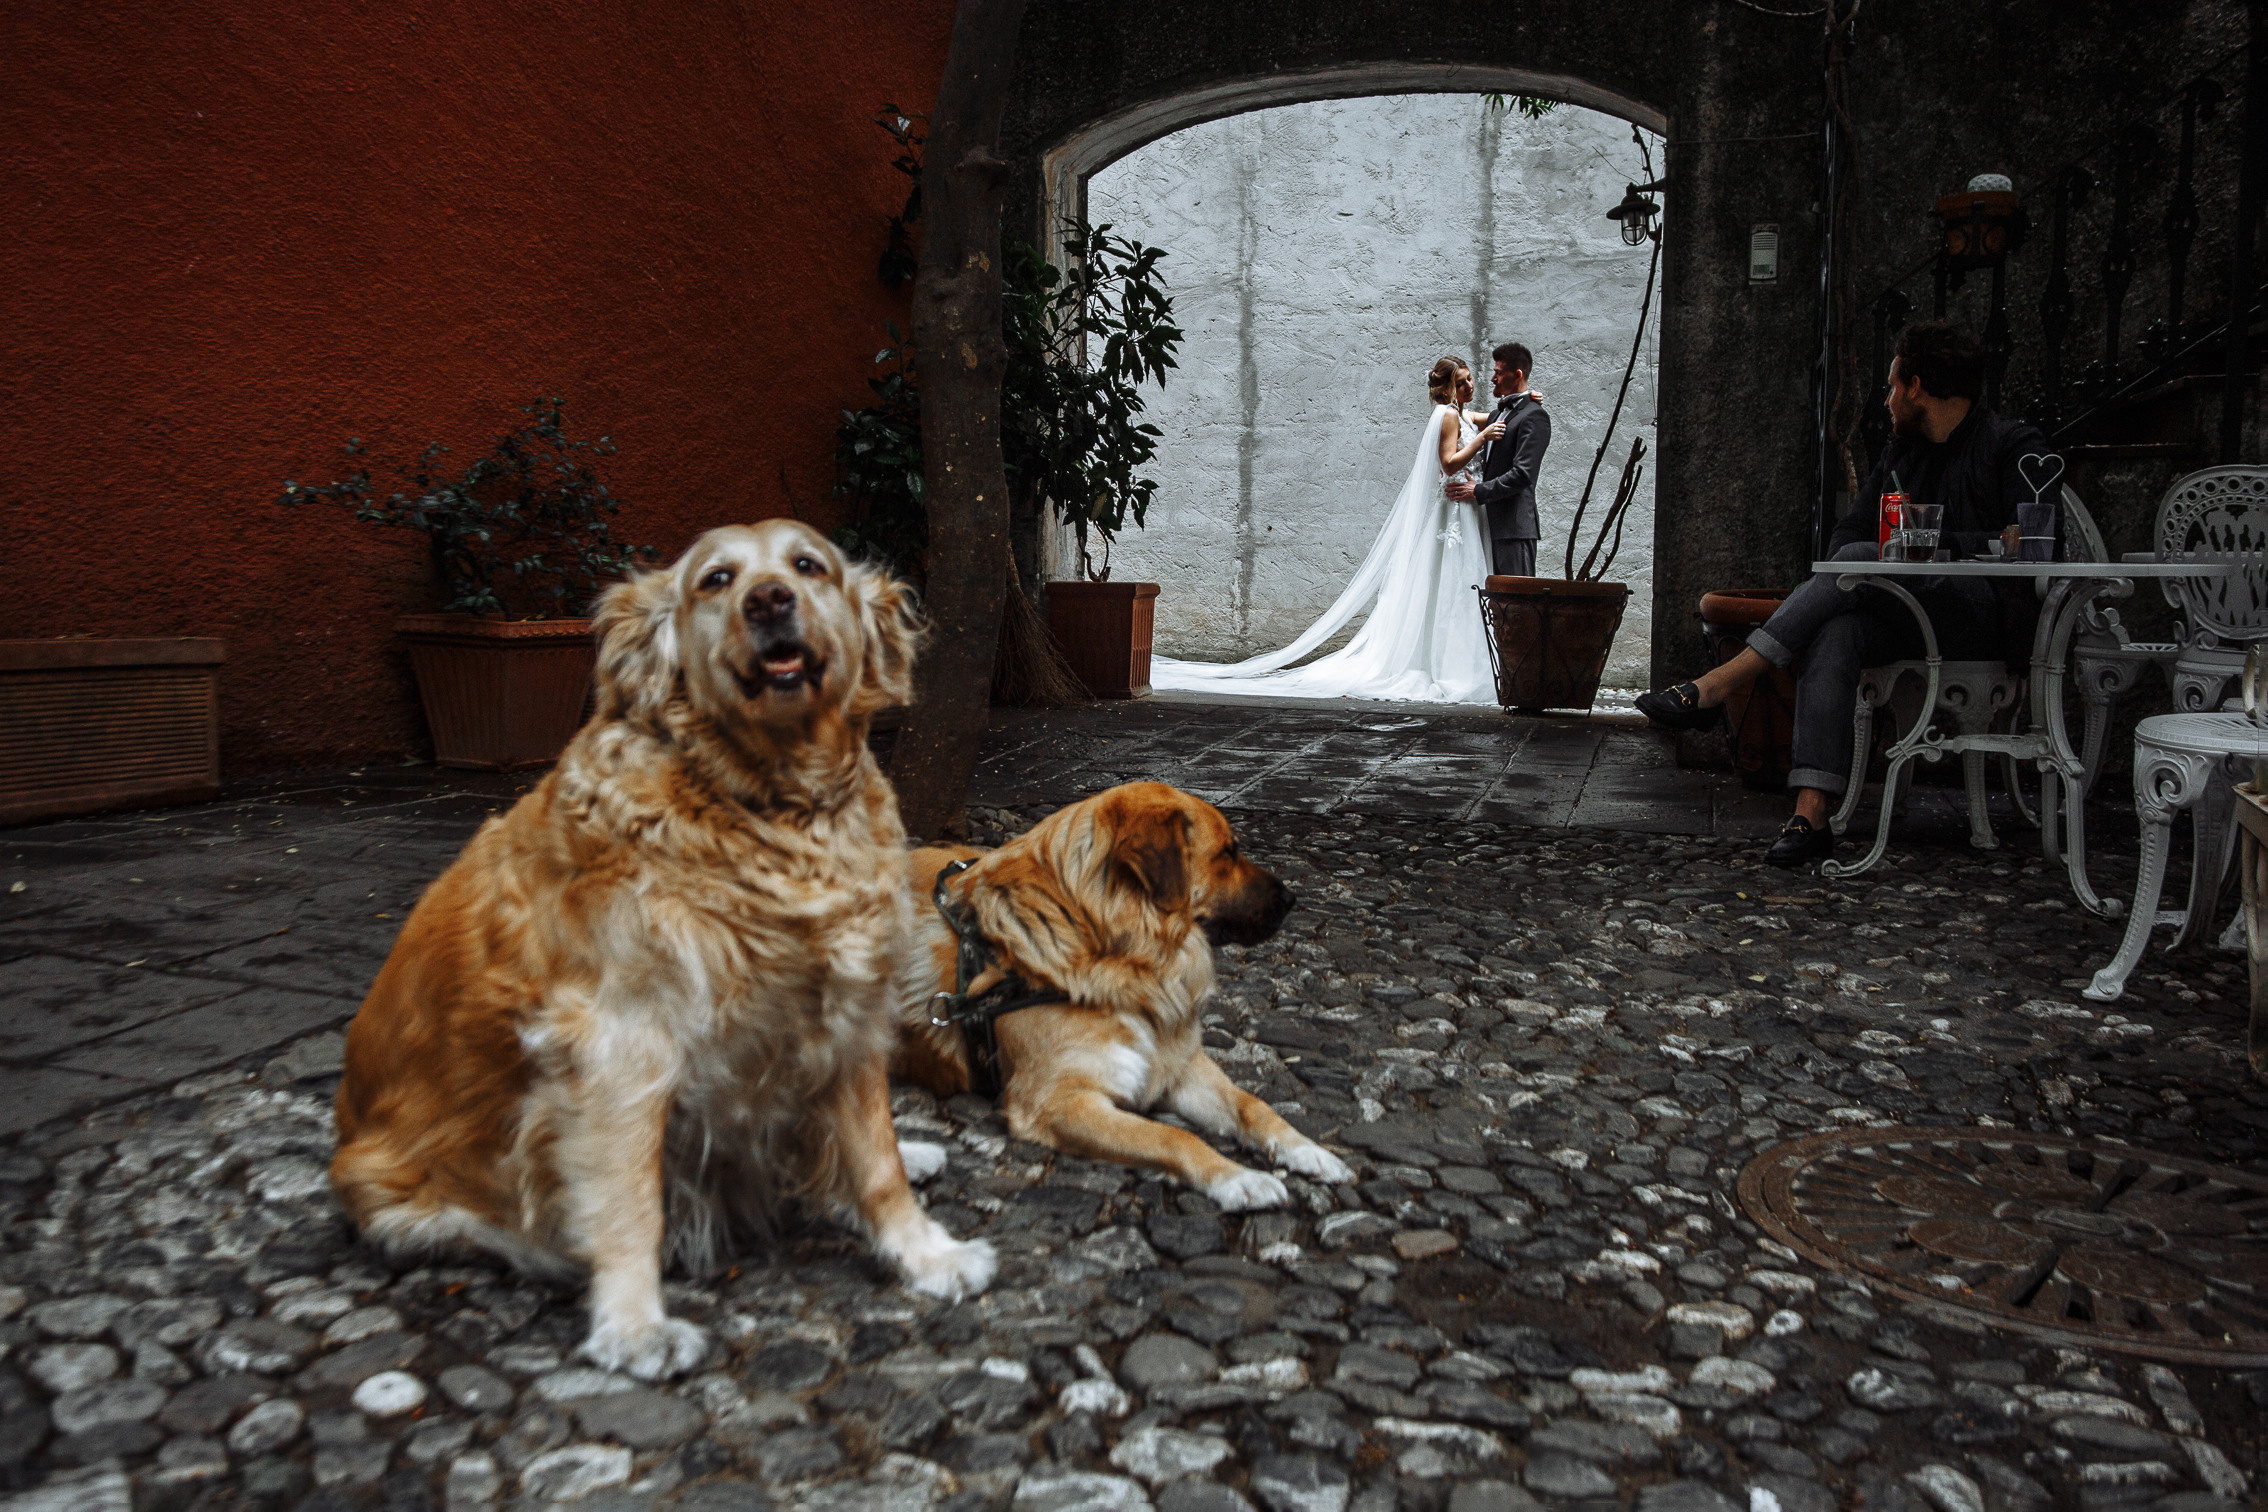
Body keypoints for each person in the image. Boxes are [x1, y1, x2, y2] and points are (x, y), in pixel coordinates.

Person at [1633, 320, 2048, 867]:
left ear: (1915, 386)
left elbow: (2033, 546)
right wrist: (1907, 551)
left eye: (1893, 385)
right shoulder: (1901, 456)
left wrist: (1926, 544)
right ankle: (1810, 816)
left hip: (1983, 619)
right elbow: (1846, 537)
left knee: (1859, 563)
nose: (1888, 398)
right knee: (1837, 628)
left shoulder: (2014, 446)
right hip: (1907, 612)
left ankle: (1716, 686)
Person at [1146, 355, 1520, 703]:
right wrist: (1484, 441)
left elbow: (1490, 416)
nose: (1471, 385)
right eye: (1464, 381)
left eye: (1471, 379)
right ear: (1450, 387)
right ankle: (1453, 669)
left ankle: (1463, 662)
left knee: (1455, 585)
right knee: (1452, 584)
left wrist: (1521, 399)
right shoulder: (1448, 416)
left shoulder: (1460, 414)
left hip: (1464, 512)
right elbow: (1449, 464)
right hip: (1454, 511)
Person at [1445, 342, 1551, 578]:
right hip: (1486, 527)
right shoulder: (1495, 415)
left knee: (1518, 605)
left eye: (1499, 372)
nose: (1492, 378)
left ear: (1518, 375)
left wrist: (1478, 490)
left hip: (1514, 530)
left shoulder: (1534, 416)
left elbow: (1523, 474)